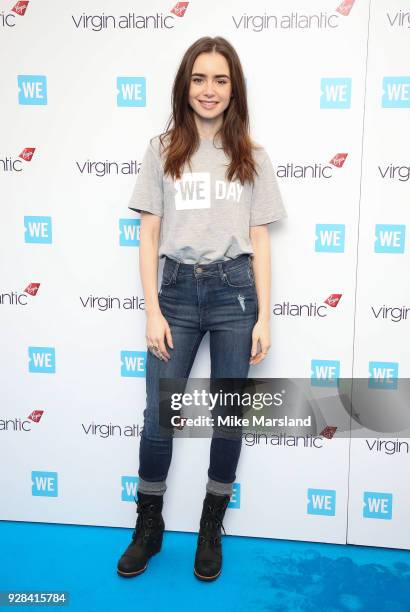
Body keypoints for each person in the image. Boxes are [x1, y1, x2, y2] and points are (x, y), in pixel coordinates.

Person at [117, 35, 287, 582]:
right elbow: (148, 238)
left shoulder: (251, 157)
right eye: (198, 78)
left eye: (220, 79)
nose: (208, 90)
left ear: (233, 87)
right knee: (158, 418)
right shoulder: (162, 148)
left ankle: (211, 528)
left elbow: (259, 238)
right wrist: (152, 311)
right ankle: (149, 525)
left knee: (228, 417)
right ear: (184, 85)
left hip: (236, 294)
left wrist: (264, 315)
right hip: (176, 296)